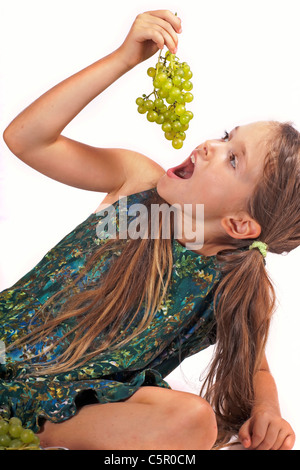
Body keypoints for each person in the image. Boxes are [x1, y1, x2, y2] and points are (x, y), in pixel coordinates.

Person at [1, 10, 298, 450]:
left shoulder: (233, 285)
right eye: (224, 136)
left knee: (195, 420)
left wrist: (268, 410)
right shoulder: (137, 185)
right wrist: (124, 58)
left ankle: (27, 432)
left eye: (232, 159)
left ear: (240, 224)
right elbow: (27, 139)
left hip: (62, 407)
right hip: (8, 343)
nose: (210, 146)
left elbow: (255, 366)